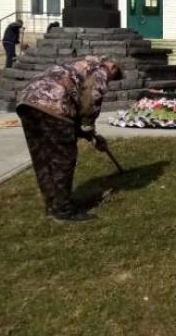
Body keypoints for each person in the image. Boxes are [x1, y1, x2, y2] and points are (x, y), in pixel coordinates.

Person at [15, 56, 122, 222]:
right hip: (53, 105)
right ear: (113, 67)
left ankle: (53, 204)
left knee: (42, 157)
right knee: (63, 158)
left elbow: (77, 101)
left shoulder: (77, 64)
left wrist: (88, 135)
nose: (112, 80)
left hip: (27, 102)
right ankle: (64, 210)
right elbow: (92, 100)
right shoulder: (102, 70)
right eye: (115, 76)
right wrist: (89, 127)